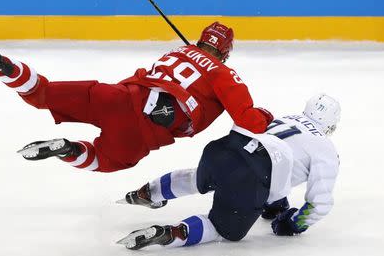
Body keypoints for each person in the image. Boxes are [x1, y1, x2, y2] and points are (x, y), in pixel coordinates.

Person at [0, 22, 273, 173]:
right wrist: (266, 116)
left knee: (42, 93)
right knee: (106, 161)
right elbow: (248, 121)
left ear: (200, 41)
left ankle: (3, 65)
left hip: (118, 96)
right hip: (149, 126)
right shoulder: (226, 75)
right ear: (226, 52)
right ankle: (68, 148)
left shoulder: (179, 50)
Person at [116, 94, 341, 250]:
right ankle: (170, 233)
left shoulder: (286, 118)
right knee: (220, 228)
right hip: (252, 177)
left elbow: (279, 156)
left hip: (222, 151)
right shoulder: (326, 150)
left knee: (197, 178)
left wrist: (274, 203)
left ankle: (149, 192)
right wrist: (293, 223)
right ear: (331, 124)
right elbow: (319, 204)